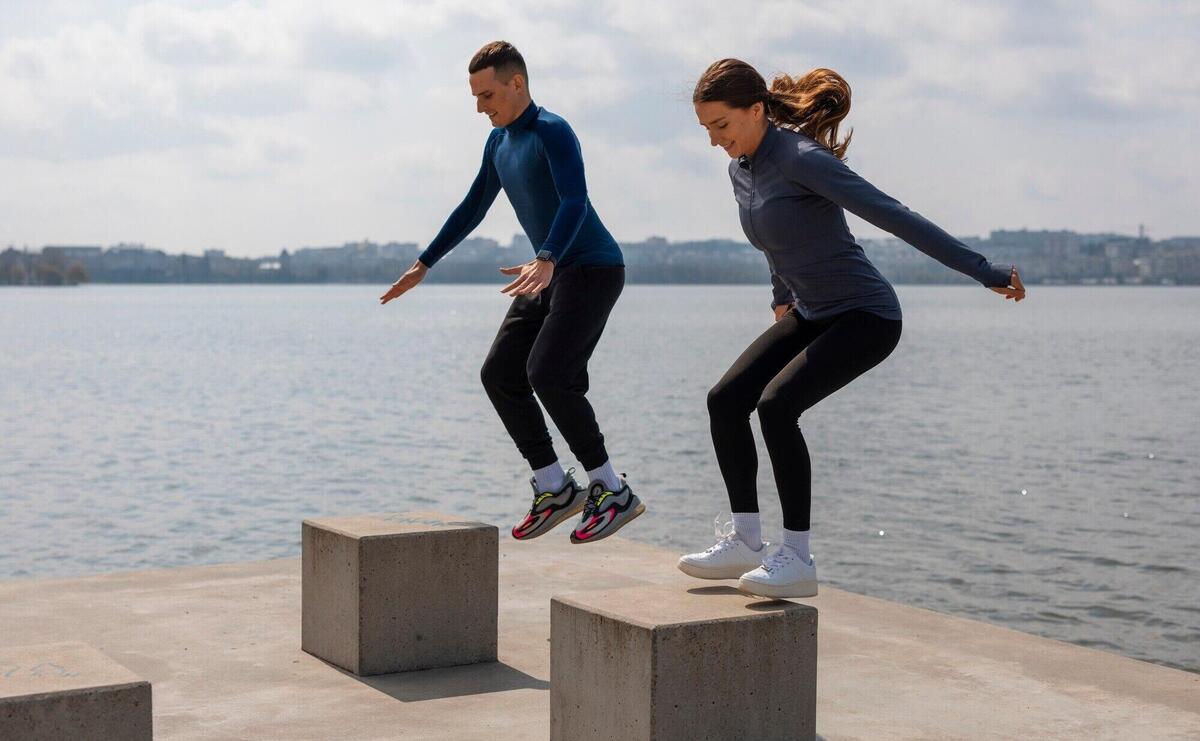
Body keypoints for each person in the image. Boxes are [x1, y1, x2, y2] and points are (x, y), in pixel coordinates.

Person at [678, 59, 1025, 598]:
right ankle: (746, 540)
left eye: (721, 126)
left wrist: (984, 271)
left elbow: (893, 215)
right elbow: (773, 241)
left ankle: (797, 557)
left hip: (867, 315)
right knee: (725, 400)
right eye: (706, 130)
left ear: (755, 110)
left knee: (776, 406)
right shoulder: (741, 170)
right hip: (811, 311)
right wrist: (781, 297)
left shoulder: (801, 158)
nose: (714, 140)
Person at [379, 41, 644, 543]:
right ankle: (554, 485)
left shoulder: (552, 130)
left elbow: (575, 200)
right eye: (476, 97)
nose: (481, 107)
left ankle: (611, 489)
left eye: (487, 94)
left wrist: (547, 256)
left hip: (590, 268)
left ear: (516, 83)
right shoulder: (498, 143)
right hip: (546, 268)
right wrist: (424, 263)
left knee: (548, 373)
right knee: (500, 373)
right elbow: (473, 206)